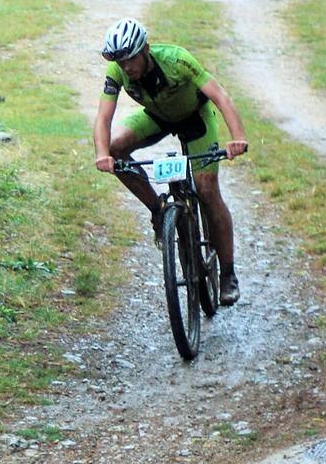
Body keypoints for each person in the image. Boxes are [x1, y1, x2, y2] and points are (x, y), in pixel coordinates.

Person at [92, 18, 249, 305]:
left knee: (207, 189)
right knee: (115, 148)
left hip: (195, 118)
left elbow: (220, 96)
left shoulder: (177, 59)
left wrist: (237, 138)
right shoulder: (116, 71)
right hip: (157, 117)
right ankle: (158, 209)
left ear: (146, 50)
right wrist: (103, 154)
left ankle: (228, 275)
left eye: (131, 59)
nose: (127, 67)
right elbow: (104, 116)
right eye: (121, 61)